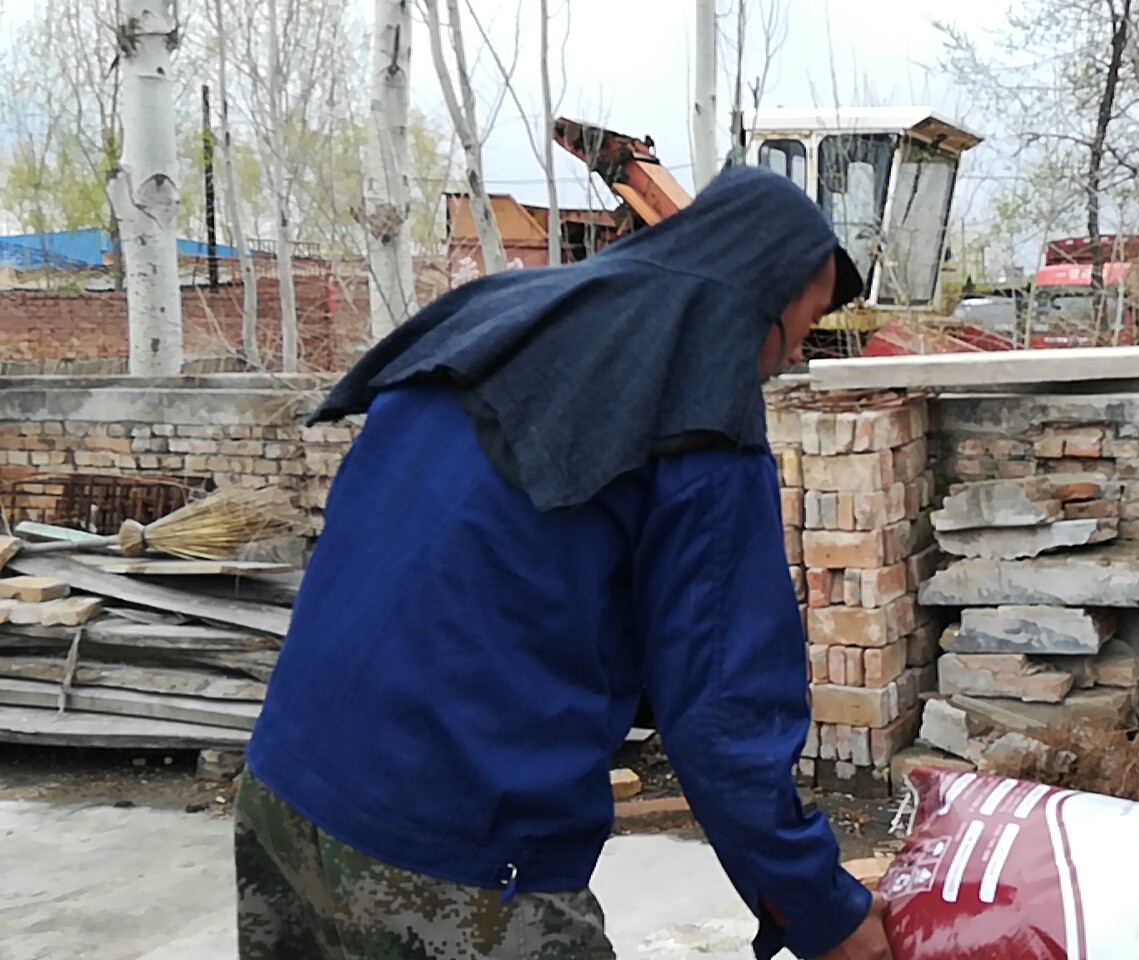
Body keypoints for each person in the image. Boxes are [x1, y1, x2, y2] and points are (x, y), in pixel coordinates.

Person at [234, 167, 891, 960]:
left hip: (283, 789)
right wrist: (824, 910)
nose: (785, 363)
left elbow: (489, 552)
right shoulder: (701, 413)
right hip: (455, 857)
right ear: (769, 297)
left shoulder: (501, 316)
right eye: (806, 325)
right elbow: (724, 720)